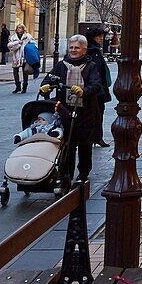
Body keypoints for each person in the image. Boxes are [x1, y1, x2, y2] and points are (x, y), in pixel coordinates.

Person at [40, 35, 108, 183]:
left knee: (84, 144)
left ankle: (83, 172)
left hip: (85, 111)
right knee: (67, 144)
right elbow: (49, 78)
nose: (73, 50)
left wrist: (84, 91)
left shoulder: (91, 66)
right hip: (65, 110)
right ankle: (66, 173)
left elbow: (97, 85)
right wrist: (45, 87)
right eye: (71, 47)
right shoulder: (61, 65)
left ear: (84, 50)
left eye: (77, 47)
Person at [85, 25, 112, 148]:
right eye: (99, 36)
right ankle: (95, 137)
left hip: (97, 88)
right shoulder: (93, 52)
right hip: (95, 89)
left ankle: (96, 137)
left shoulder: (94, 50)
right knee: (96, 113)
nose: (101, 39)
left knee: (97, 113)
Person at [7, 24, 32, 93]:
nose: (19, 29)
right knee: (15, 72)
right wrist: (18, 43)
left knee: (25, 72)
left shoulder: (28, 36)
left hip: (25, 57)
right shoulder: (13, 37)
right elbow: (9, 46)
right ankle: (17, 86)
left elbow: (33, 44)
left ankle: (24, 87)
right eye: (18, 28)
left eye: (20, 28)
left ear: (23, 29)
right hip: (16, 57)